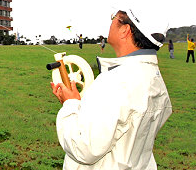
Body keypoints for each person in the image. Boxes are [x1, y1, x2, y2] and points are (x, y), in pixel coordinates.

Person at [51, 9, 172, 170]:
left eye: (114, 18)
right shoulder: (153, 76)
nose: (110, 22)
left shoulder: (116, 82)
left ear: (125, 30)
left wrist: (70, 104)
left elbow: (84, 148)